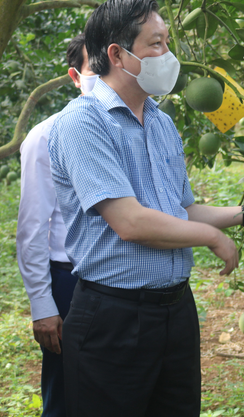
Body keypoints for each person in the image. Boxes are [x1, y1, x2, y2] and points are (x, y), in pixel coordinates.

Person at [48, 0, 244, 417]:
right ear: (118, 54)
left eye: (168, 42)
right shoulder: (83, 123)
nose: (167, 55)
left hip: (174, 313)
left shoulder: (161, 122)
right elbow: (129, 221)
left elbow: (181, 210)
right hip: (113, 318)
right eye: (156, 44)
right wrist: (210, 238)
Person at [16, 34, 97, 417]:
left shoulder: (132, 129)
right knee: (67, 391)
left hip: (116, 281)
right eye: (95, 67)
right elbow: (33, 227)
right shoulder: (45, 136)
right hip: (69, 279)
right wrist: (42, 304)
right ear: (75, 76)